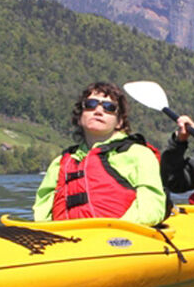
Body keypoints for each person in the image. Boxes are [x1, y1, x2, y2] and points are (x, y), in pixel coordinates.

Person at [34, 82, 167, 226]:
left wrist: (112, 232)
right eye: (90, 104)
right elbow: (42, 212)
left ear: (119, 122)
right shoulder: (60, 163)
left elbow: (151, 208)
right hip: (65, 238)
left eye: (109, 107)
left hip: (120, 238)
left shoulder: (138, 154)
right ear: (80, 117)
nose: (98, 111)